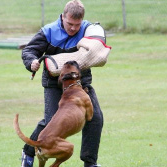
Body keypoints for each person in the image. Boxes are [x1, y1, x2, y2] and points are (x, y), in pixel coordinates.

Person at [21, 0, 104, 166]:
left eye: (77, 25)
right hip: (54, 83)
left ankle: (90, 163)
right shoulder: (49, 31)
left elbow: (99, 44)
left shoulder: (89, 29)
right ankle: (29, 152)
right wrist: (32, 62)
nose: (73, 28)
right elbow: (29, 50)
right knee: (50, 120)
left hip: (80, 83)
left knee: (95, 119)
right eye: (70, 24)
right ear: (63, 16)